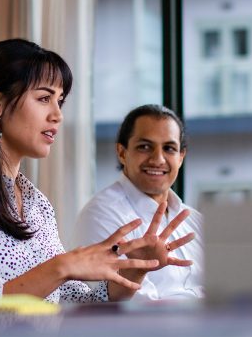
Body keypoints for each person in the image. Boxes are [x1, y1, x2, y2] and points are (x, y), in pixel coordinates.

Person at [0, 39, 191, 307]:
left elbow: (76, 301)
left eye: (59, 101)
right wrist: (60, 266)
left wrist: (136, 268)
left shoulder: (38, 204)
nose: (57, 115)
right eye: (44, 98)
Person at [74, 104, 204, 301]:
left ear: (181, 157)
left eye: (169, 148)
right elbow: (133, 310)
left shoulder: (194, 219)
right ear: (122, 152)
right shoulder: (101, 214)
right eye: (145, 146)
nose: (158, 159)